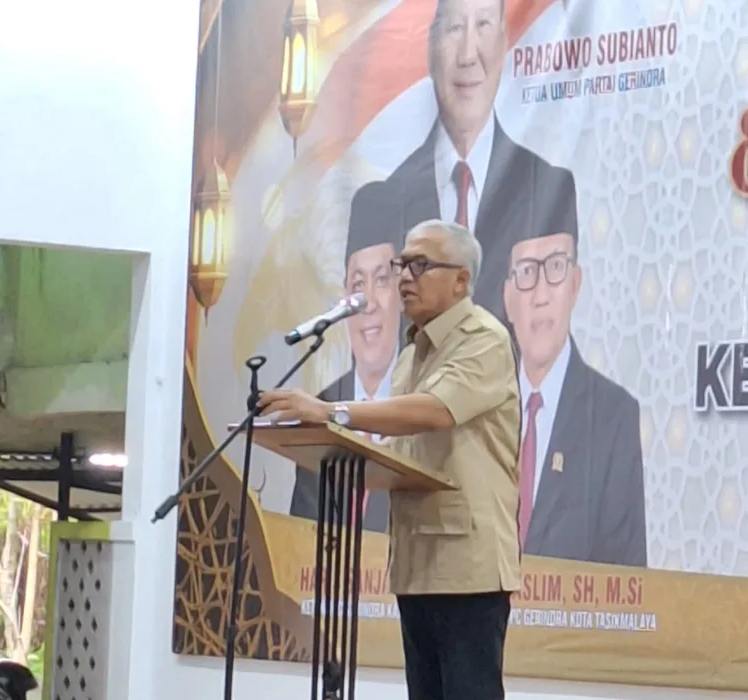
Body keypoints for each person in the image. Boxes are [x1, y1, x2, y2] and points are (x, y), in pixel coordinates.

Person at [258, 220, 521, 700]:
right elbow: (402, 453)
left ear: (461, 280)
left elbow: (434, 411)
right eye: (402, 264)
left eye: (419, 265)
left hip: (468, 565)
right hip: (417, 561)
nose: (404, 277)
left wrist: (330, 412)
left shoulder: (485, 338)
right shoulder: (411, 353)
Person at [379, 0, 578, 325]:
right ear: (431, 49)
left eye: (483, 25)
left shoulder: (547, 186)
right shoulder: (387, 196)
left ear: (503, 42)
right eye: (455, 28)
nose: (468, 55)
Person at [503, 231, 647, 567]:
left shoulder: (613, 417)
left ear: (575, 284)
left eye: (555, 267)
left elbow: (627, 575)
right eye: (526, 272)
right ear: (507, 298)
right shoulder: (482, 409)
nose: (540, 295)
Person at [288, 181, 403, 532]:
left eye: (381, 280)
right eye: (357, 285)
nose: (368, 303)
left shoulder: (420, 403)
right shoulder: (322, 405)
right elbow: (303, 527)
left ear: (402, 293)